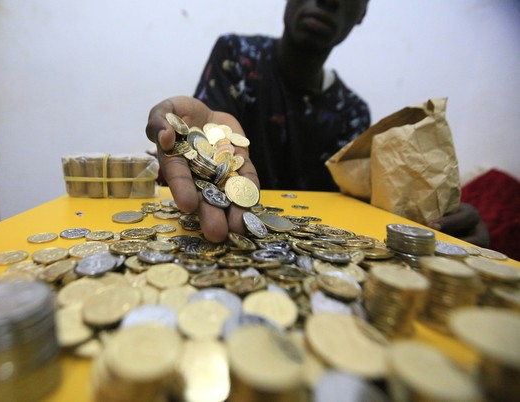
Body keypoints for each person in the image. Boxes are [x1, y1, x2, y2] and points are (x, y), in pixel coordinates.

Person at [146, 0, 489, 247]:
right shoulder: (235, 55)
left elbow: (358, 213)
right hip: (219, 244)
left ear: (362, 12)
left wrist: (430, 224)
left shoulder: (353, 112)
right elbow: (205, 150)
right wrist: (183, 141)